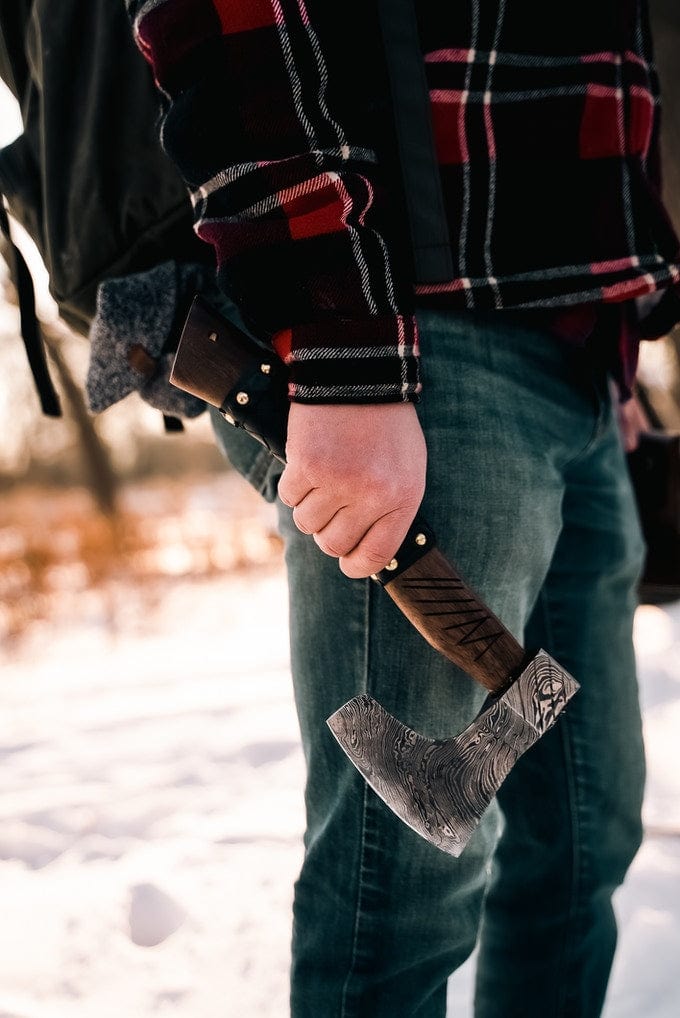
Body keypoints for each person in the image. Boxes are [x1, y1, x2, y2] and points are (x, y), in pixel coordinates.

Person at [126, 2, 679, 1014]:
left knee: (580, 846)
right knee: (396, 898)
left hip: (581, 355)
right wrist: (340, 346)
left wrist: (616, 353)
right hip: (412, 332)